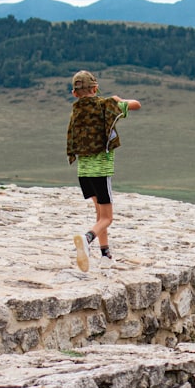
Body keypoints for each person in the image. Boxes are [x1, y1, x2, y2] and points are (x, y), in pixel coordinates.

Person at [65, 70, 141, 271]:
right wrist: (118, 100)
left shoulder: (76, 111)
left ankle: (105, 254)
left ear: (74, 93)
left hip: (84, 172)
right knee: (107, 218)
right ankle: (87, 238)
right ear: (95, 88)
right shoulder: (105, 106)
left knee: (100, 215)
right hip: (101, 171)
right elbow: (136, 104)